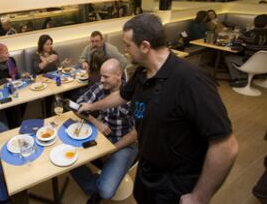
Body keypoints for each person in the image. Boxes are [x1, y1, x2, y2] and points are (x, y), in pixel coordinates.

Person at [79, 13, 239, 204]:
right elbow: (121, 96)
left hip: (175, 182)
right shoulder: (141, 73)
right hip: (147, 170)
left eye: (128, 45)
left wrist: (199, 197)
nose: (125, 50)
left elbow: (226, 146)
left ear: (145, 46)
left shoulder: (191, 81)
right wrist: (91, 106)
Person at [70, 59, 138, 204]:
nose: (101, 80)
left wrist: (112, 150)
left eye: (105, 77)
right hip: (102, 137)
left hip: (125, 143)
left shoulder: (134, 94)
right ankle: (98, 184)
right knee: (68, 158)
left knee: (106, 191)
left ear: (119, 75)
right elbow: (77, 107)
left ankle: (100, 185)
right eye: (101, 76)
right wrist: (97, 123)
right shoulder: (100, 87)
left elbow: (136, 134)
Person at [0, 43, 26, 127]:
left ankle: (19, 121)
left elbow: (16, 75)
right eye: (6, 53)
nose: (9, 55)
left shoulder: (11, 60)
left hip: (15, 88)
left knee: (24, 99)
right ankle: (13, 125)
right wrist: (5, 80)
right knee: (12, 106)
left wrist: (23, 75)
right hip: (0, 93)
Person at [224, 14, 267, 87]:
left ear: (254, 23)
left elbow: (235, 47)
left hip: (250, 63)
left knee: (228, 58)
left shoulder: (247, 34)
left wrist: (244, 47)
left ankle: (238, 78)